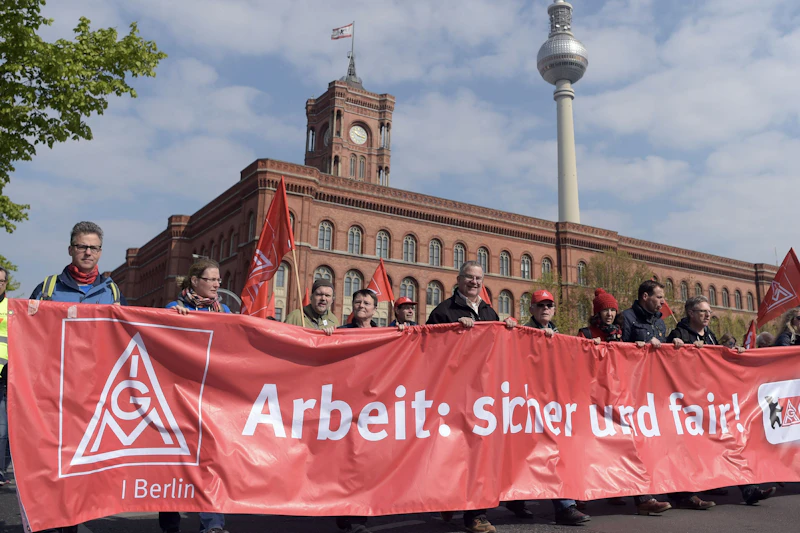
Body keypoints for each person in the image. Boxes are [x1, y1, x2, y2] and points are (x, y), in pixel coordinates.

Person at [28, 222, 127, 533]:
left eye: (94, 247)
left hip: (92, 392)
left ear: (100, 252)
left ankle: (73, 516)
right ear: (70, 249)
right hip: (53, 389)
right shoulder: (47, 287)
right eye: (82, 246)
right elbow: (30, 335)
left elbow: (122, 335)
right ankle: (49, 515)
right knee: (50, 456)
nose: (88, 252)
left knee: (84, 458)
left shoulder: (111, 290)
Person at [426, 261, 518, 533]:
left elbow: (498, 347)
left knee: (478, 452)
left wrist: (508, 328)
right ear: (459, 279)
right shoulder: (444, 311)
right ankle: (447, 497)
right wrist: (453, 330)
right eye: (469, 277)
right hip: (453, 393)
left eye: (478, 278)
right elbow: (428, 348)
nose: (474, 282)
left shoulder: (489, 311)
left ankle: (475, 514)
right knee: (452, 451)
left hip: (483, 395)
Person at [667, 296, 776, 506]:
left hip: (709, 400)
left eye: (708, 311)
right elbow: (669, 364)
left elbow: (718, 361)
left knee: (728, 440)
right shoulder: (678, 334)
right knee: (689, 449)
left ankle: (749, 489)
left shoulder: (709, 335)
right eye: (702, 311)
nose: (708, 315)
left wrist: (736, 354)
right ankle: (683, 494)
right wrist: (681, 348)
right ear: (690, 313)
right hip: (686, 403)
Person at [160, 258, 229, 533]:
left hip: (210, 398)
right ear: (194, 281)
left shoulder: (223, 311)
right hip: (177, 396)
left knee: (210, 461)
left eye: (218, 280)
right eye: (211, 279)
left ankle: (213, 524)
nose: (216, 284)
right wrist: (169, 320)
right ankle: (169, 523)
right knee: (174, 461)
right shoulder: (172, 309)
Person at [619, 280, 696, 514]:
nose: (663, 301)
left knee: (667, 443)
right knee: (637, 445)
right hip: (633, 391)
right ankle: (643, 497)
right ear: (645, 296)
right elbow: (617, 352)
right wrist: (636, 347)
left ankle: (680, 493)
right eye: (659, 297)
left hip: (658, 392)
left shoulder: (661, 323)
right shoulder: (627, 318)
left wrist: (674, 344)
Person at [335, 288, 405, 533]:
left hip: (374, 408)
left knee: (366, 462)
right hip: (345, 407)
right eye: (357, 301)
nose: (361, 305)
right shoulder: (340, 333)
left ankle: (357, 512)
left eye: (366, 302)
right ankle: (349, 514)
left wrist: (406, 336)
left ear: (375, 308)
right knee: (347, 462)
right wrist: (324, 336)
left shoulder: (385, 334)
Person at [518, 289, 591, 524]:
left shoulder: (560, 335)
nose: (546, 309)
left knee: (554, 453)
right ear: (531, 309)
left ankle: (565, 505)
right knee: (524, 454)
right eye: (540, 305)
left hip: (555, 406)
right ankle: (516, 500)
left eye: (549, 305)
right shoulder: (522, 333)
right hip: (528, 403)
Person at [0, 267, 9, 487]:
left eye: (1, 280)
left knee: (2, 429)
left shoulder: (11, 308)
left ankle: (0, 470)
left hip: (5, 376)